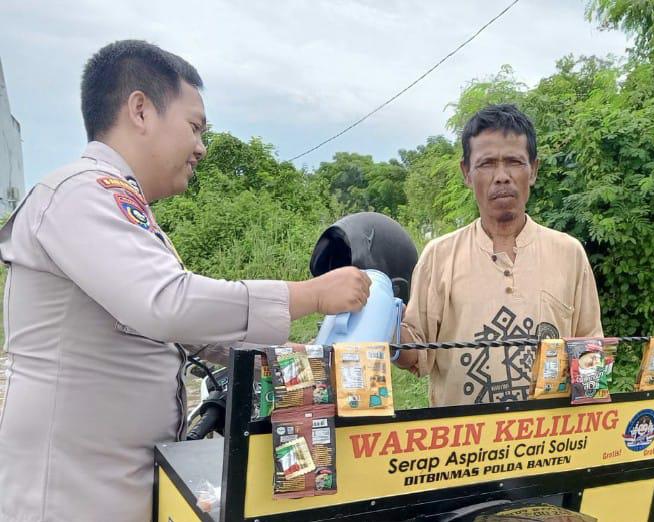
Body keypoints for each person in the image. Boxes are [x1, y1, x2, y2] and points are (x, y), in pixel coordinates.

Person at [0, 40, 371, 522]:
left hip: (112, 483)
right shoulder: (80, 191)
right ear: (140, 110)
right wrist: (310, 295)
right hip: (71, 495)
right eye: (194, 127)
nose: (201, 147)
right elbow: (168, 304)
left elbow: (184, 332)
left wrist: (299, 361)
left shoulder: (120, 209)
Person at [394, 104, 603, 406]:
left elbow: (590, 350)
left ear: (534, 170)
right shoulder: (439, 257)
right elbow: (415, 352)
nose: (502, 176)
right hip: (463, 435)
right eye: (487, 164)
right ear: (467, 173)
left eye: (515, 162)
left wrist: (593, 416)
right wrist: (383, 322)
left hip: (550, 435)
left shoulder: (569, 253)